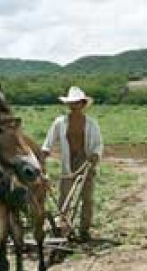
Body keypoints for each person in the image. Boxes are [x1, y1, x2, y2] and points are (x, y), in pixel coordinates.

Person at [42, 86, 103, 241]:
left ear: (83, 104)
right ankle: (62, 226)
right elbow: (49, 141)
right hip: (67, 163)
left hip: (86, 162)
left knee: (87, 198)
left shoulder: (91, 123)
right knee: (65, 197)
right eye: (71, 103)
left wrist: (95, 155)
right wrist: (44, 153)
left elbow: (98, 144)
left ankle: (84, 230)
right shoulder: (60, 122)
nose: (74, 106)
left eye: (77, 103)